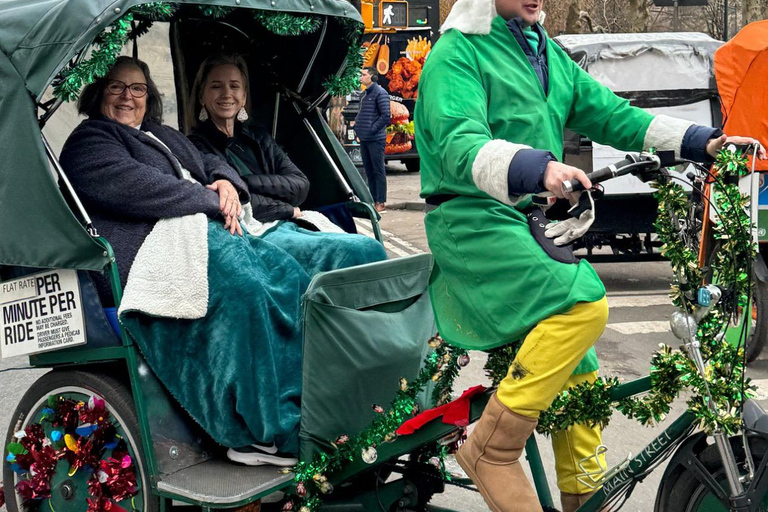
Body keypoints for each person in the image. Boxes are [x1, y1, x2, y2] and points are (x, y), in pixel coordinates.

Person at [414, 1, 767, 511]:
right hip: (473, 222)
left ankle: (586, 498)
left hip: (523, 221)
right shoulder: (456, 53)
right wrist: (540, 169)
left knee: (580, 363)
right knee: (581, 301)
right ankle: (491, 448)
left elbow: (609, 113)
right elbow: (457, 142)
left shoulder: (543, 51)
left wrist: (701, 141)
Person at [60, 56, 386, 468]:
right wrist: (214, 199)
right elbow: (141, 188)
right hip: (152, 248)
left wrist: (227, 183)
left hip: (205, 230)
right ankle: (259, 431)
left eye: (138, 88)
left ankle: (325, 399)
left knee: (290, 274)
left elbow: (213, 164)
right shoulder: (90, 141)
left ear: (149, 96)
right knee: (249, 285)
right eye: (117, 87)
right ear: (98, 93)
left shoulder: (161, 134)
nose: (128, 96)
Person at [188, 54, 387, 262]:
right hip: (253, 234)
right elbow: (237, 203)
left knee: (369, 248)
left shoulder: (258, 137)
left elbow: (299, 185)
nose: (227, 94)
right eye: (216, 86)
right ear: (202, 96)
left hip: (288, 224)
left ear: (244, 96)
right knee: (359, 251)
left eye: (234, 86)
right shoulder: (196, 145)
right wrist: (288, 209)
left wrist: (243, 183)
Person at [355, 67, 390, 213]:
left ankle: (380, 202)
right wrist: (358, 129)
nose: (361, 77)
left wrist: (371, 129)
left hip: (375, 139)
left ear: (372, 77)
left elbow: (385, 116)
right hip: (365, 138)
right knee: (369, 171)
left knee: (378, 170)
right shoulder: (364, 94)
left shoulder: (380, 93)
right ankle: (372, 199)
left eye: (364, 75)